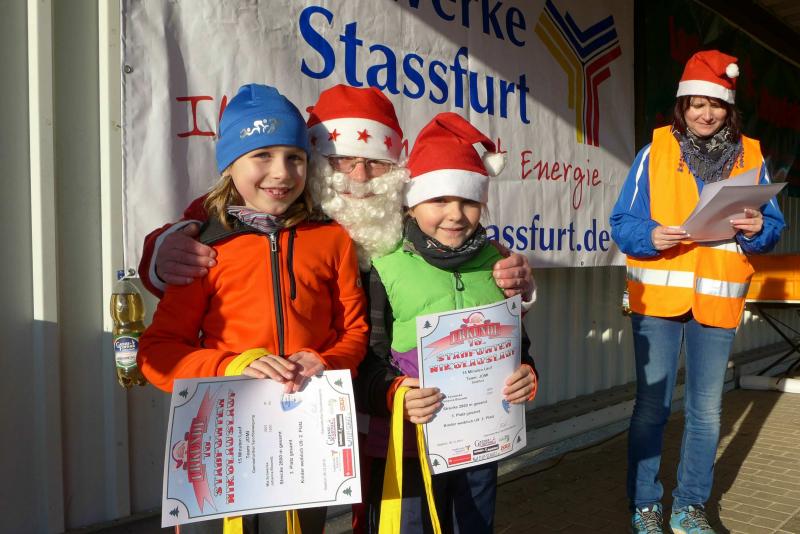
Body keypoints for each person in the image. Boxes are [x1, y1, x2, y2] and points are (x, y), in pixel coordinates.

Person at [137, 83, 369, 534]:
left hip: (305, 444)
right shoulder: (203, 246)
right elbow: (158, 353)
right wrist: (232, 365)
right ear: (229, 165)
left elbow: (354, 333)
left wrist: (325, 360)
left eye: (294, 157)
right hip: (223, 445)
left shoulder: (332, 238)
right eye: (261, 155)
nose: (281, 172)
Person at [136, 85, 535, 303]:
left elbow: (470, 260)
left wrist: (512, 275)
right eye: (342, 160)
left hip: (396, 396)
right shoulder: (280, 206)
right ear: (315, 160)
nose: (359, 176)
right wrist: (162, 252)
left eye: (376, 163)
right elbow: (203, 223)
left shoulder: (411, 212)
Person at [610, 50, 785, 534]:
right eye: (697, 104)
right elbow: (622, 223)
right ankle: (645, 504)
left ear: (729, 108)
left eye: (716, 105)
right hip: (659, 302)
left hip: (717, 300)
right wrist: (651, 235)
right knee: (652, 408)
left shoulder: (752, 156)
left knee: (706, 411)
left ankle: (689, 507)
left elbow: (772, 228)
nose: (706, 115)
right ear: (682, 105)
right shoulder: (654, 152)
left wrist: (758, 228)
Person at [356, 112, 538, 534]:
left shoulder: (498, 263)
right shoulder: (385, 265)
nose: (455, 215)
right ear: (411, 203)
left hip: (480, 445)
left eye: (469, 201)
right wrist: (394, 394)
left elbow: (518, 345)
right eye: (439, 200)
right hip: (407, 446)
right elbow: (367, 360)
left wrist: (528, 374)